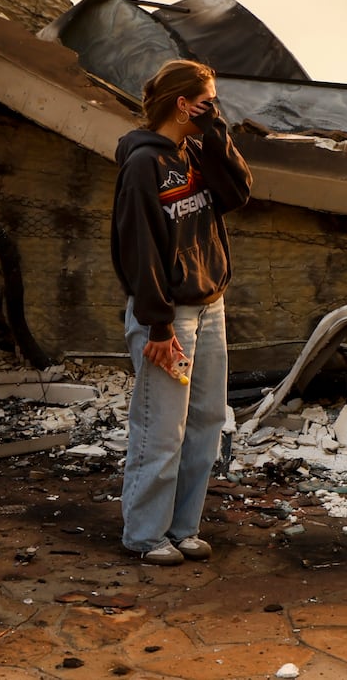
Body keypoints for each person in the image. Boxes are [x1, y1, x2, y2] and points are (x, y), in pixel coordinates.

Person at [110, 59, 253, 565]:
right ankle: (146, 535)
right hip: (169, 315)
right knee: (161, 427)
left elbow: (238, 192)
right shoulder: (142, 165)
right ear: (181, 103)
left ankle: (183, 528)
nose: (215, 109)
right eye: (208, 101)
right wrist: (158, 324)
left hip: (209, 306)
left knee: (207, 422)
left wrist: (215, 131)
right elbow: (139, 250)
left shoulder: (195, 148)